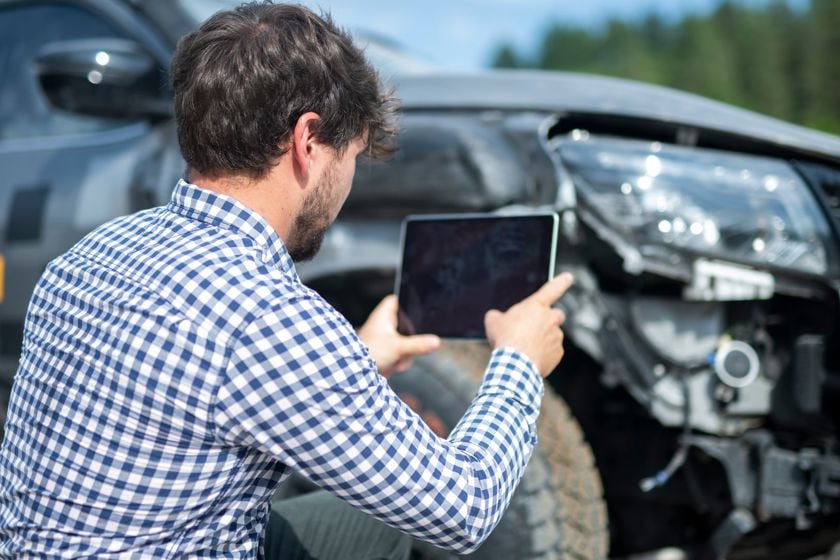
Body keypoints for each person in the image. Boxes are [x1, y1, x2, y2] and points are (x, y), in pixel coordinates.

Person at [0, 2, 573, 558]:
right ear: (307, 139)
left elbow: (183, 398)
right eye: (350, 155)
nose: (348, 185)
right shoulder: (265, 315)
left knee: (357, 524)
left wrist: (355, 358)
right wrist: (519, 361)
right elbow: (461, 510)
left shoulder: (87, 257)